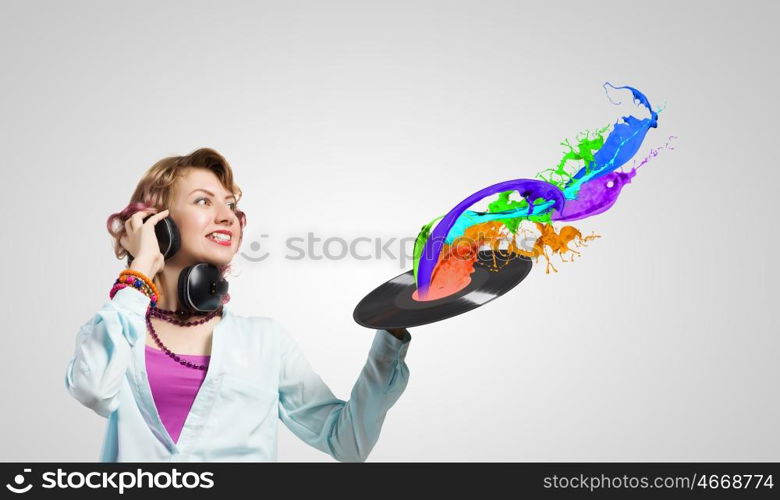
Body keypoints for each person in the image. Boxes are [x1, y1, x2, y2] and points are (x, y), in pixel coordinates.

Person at [65, 148, 411, 462]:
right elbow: (93, 388)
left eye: (230, 205)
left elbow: (346, 441)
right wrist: (140, 268)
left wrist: (392, 331)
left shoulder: (265, 340)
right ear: (159, 224)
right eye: (203, 201)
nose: (227, 216)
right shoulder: (120, 328)